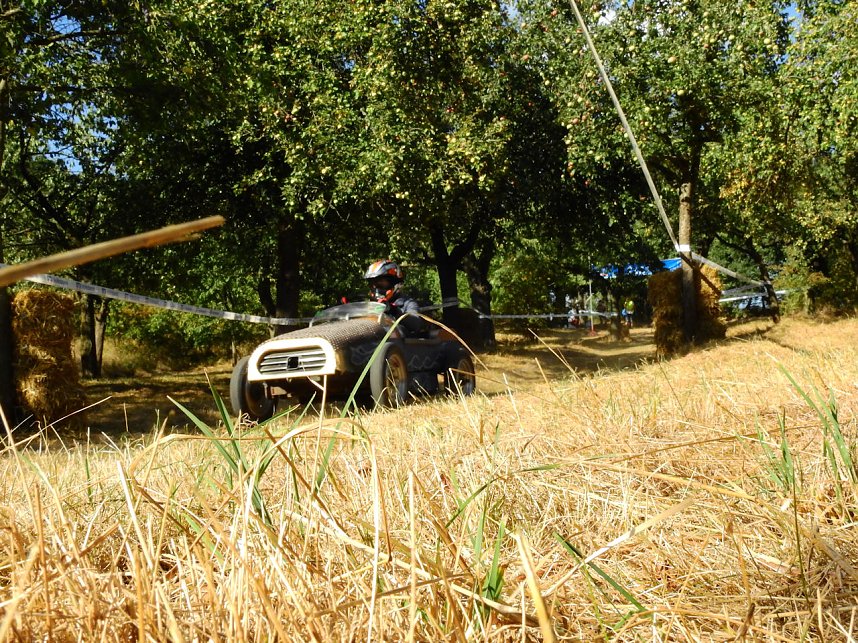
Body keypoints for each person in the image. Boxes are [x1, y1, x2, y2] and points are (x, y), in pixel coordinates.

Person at [364, 259, 426, 336]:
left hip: (399, 342)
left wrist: (393, 310)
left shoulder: (408, 303)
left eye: (380, 284)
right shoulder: (369, 306)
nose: (376, 288)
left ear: (394, 282)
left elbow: (416, 324)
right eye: (372, 284)